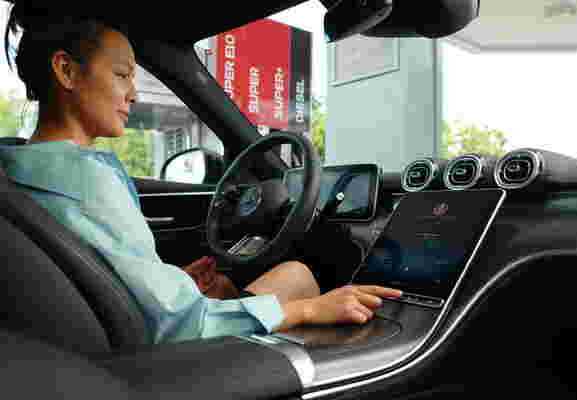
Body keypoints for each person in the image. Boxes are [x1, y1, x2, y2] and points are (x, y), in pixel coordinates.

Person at [0, 3, 403, 344]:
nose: (134, 94)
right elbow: (179, 322)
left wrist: (171, 280)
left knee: (246, 282)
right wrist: (310, 309)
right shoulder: (86, 181)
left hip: (117, 339)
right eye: (122, 75)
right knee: (299, 278)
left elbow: (100, 278)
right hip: (163, 359)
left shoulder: (21, 169)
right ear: (66, 71)